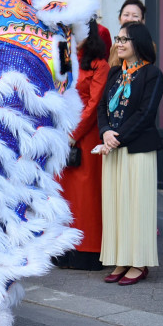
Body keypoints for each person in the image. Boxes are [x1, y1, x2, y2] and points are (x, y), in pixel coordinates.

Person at [97, 21, 163, 286]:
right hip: (112, 148)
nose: (119, 43)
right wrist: (105, 132)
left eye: (125, 39)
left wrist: (117, 137)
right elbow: (103, 107)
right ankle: (121, 259)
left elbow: (145, 114)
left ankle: (139, 262)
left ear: (139, 43)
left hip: (137, 150)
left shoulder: (152, 74)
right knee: (116, 207)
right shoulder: (115, 73)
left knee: (137, 207)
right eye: (118, 38)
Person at [55, 18, 109, 271]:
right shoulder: (65, 56)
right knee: (62, 193)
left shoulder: (100, 64)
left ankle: (87, 250)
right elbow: (57, 91)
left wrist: (73, 134)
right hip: (62, 131)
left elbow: (94, 104)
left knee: (85, 196)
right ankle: (61, 248)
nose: (75, 34)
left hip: (85, 137)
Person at [108, 0, 147, 66]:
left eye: (135, 16)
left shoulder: (147, 44)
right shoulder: (115, 46)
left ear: (143, 21)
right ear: (119, 19)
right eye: (126, 15)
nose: (130, 19)